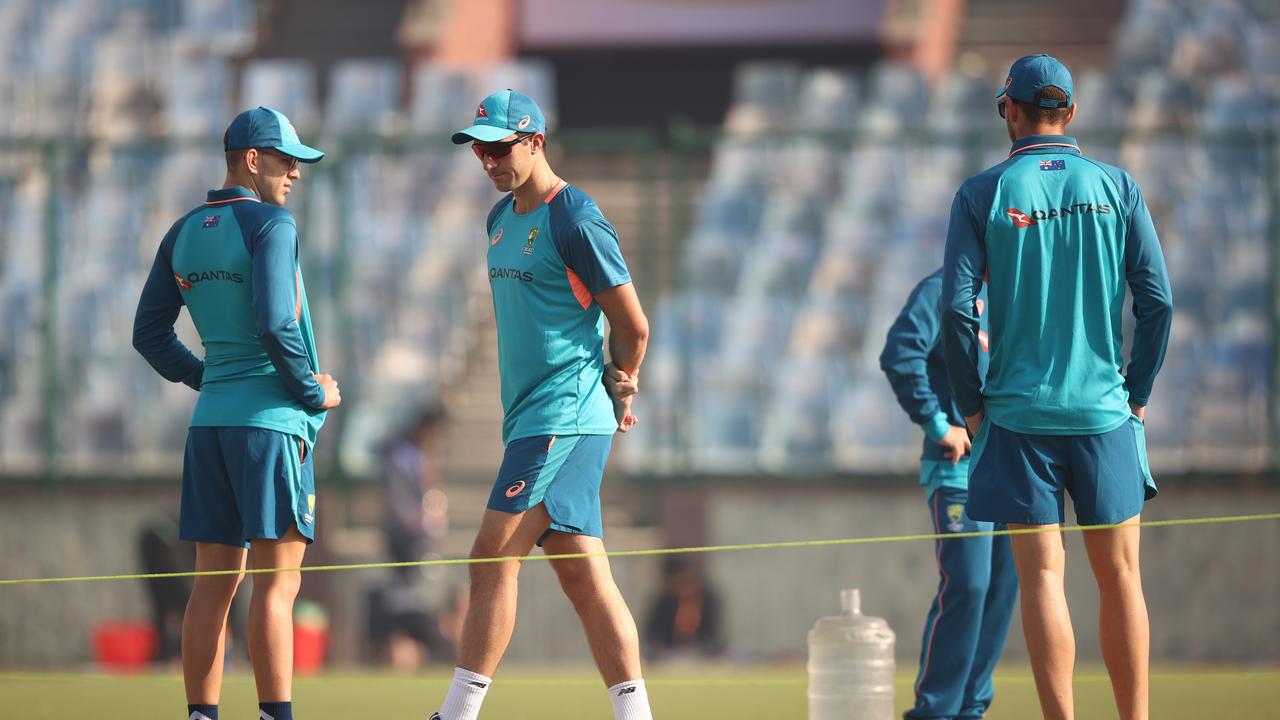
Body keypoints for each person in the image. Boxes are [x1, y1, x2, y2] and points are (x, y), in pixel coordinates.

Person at [940, 55, 1173, 720]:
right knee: (1121, 576)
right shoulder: (1117, 185)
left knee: (1044, 577)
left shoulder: (982, 193)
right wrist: (1136, 393)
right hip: (1104, 413)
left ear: (1007, 110)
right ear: (1069, 112)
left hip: (1017, 417)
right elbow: (1157, 301)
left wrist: (972, 407)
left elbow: (957, 310)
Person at [428, 89, 653, 720]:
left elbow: (632, 324)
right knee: (584, 576)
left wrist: (623, 376)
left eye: (500, 146)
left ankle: (457, 713)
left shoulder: (575, 217)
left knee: (490, 556)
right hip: (530, 419)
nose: (488, 159)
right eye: (479, 147)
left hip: (565, 416)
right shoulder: (498, 220)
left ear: (535, 142)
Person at [132, 106, 342, 720]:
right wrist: (314, 392)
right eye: (287, 160)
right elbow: (277, 323)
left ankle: (202, 716)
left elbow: (149, 334)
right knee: (278, 586)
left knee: (212, 587)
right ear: (252, 160)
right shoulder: (272, 225)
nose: (296, 173)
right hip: (272, 428)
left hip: (211, 429)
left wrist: (209, 379)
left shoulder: (183, 230)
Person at [879, 269, 1018, 720]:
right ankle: (933, 712)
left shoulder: (1018, 292)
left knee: (1001, 590)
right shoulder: (942, 289)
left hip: (1014, 472)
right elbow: (900, 353)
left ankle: (971, 711)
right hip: (958, 472)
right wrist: (939, 425)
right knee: (969, 586)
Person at [643, 556, 723, 662]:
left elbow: (711, 632)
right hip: (668, 653)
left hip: (700, 652)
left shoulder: (707, 599)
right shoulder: (664, 601)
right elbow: (653, 631)